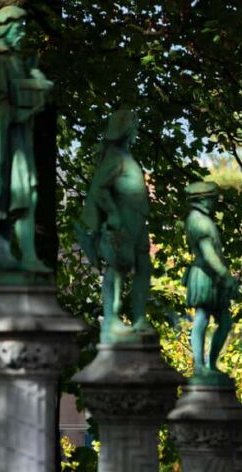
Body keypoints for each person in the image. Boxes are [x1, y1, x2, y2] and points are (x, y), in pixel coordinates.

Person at [0, 6, 54, 272]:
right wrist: (24, 110)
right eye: (20, 27)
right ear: (7, 26)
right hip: (2, 141)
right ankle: (6, 253)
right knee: (3, 197)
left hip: (19, 140)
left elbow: (21, 90)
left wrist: (34, 79)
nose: (23, 33)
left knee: (26, 196)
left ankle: (29, 256)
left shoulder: (13, 59)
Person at [79, 110, 152, 341]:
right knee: (118, 268)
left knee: (143, 268)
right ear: (126, 130)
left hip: (137, 220)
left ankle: (139, 320)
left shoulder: (124, 157)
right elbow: (99, 189)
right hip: (122, 221)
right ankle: (111, 320)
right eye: (135, 127)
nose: (137, 132)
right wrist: (112, 214)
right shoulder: (115, 158)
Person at [183, 182, 237, 376]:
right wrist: (225, 275)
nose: (214, 202)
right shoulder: (199, 220)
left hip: (213, 277)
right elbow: (208, 254)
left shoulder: (202, 219)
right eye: (212, 198)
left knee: (224, 321)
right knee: (202, 317)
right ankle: (200, 366)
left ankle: (211, 365)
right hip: (205, 275)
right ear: (203, 199)